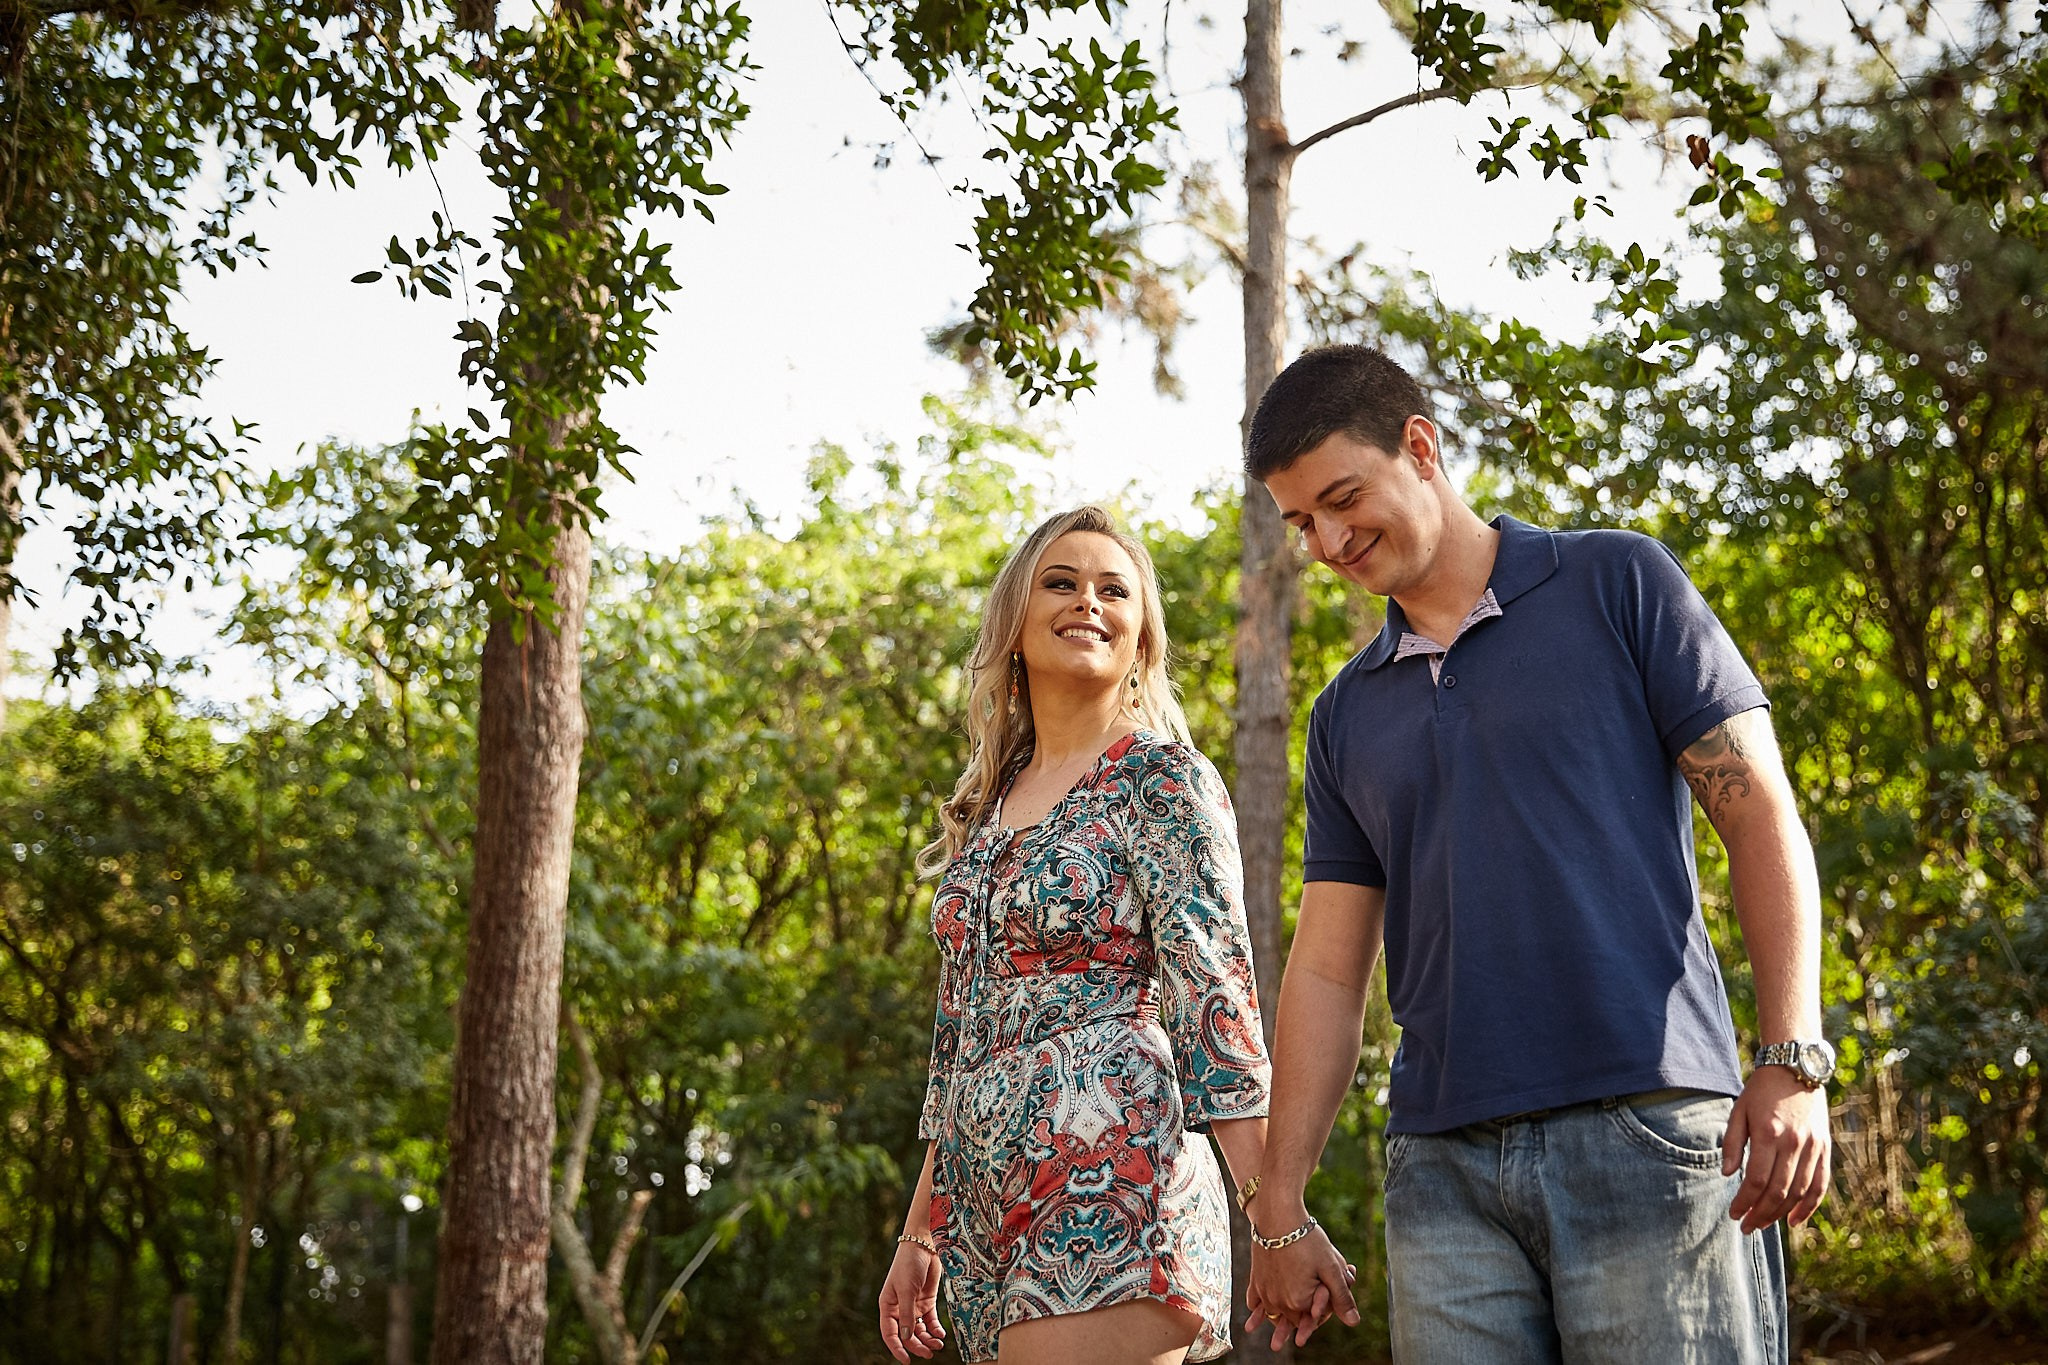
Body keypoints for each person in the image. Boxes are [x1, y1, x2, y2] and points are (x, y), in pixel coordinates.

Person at [1239, 344, 1833, 1363]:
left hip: (1647, 1127)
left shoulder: (1615, 582)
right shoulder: (1344, 715)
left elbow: (1757, 813)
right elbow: (1330, 968)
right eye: (1302, 523)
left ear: (1418, 447)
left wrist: (1789, 1059)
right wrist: (1278, 1205)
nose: (1329, 540)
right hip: (1442, 1172)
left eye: (1342, 499)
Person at [877, 506, 1276, 1365]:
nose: (1087, 601)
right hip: (986, 1204)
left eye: (1112, 589)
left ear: (1140, 638)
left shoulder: (1159, 780)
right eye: (1061, 582)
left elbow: (1216, 1001)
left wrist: (1274, 1217)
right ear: (1016, 623)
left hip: (1112, 1174)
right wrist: (922, 1231)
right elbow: (962, 1039)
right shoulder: (986, 810)